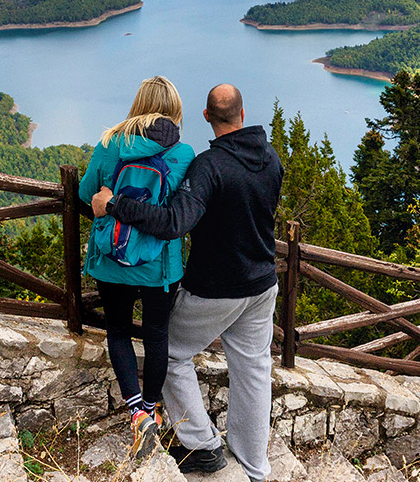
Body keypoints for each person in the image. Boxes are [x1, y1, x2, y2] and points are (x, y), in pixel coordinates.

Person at [92, 83, 282, 481]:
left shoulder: (210, 167)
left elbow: (173, 223)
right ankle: (254, 467)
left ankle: (203, 445)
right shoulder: (271, 158)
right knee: (253, 371)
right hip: (263, 285)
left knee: (172, 352)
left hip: (217, 288)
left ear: (207, 116)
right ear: (243, 114)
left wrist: (113, 204)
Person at [78, 76, 195, 459]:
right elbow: (177, 211)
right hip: (160, 265)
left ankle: (136, 415)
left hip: (112, 260)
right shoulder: (182, 152)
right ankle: (152, 409)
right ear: (174, 108)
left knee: (118, 331)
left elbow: (84, 194)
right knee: (157, 334)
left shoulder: (112, 142)